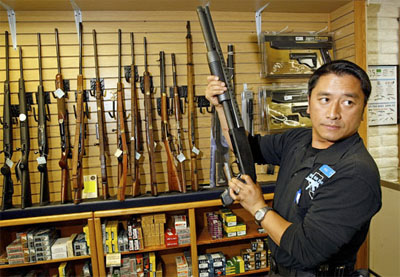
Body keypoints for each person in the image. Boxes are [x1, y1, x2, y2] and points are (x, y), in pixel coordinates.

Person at [205, 60, 382, 277]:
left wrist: (258, 208)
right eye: (325, 99)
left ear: (363, 109)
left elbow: (306, 250)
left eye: (348, 103)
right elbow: (246, 149)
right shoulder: (299, 139)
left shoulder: (355, 173)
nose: (333, 113)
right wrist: (222, 107)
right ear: (309, 103)